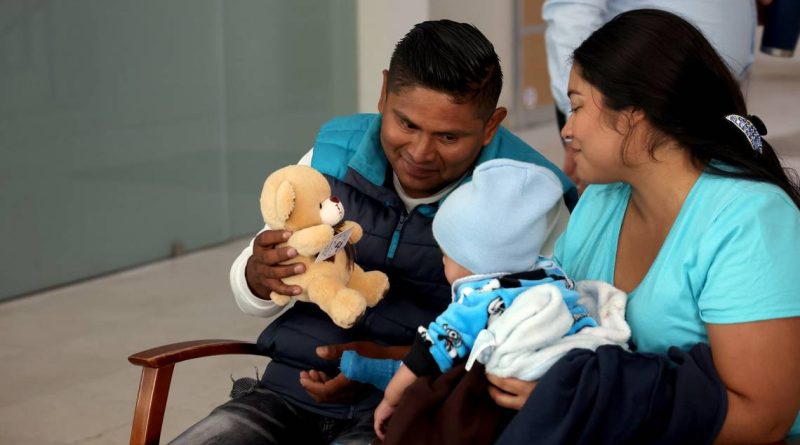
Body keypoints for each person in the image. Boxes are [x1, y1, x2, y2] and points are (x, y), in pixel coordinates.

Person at [170, 20, 576, 445]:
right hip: (283, 396)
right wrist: (256, 275)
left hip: (411, 415)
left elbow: (534, 347)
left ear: (491, 126)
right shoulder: (331, 155)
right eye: (406, 125)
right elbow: (253, 295)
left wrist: (394, 364)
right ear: (384, 93)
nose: (420, 153)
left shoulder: (530, 196)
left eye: (449, 137)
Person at [486, 9, 800, 443]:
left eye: (577, 107)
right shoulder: (603, 198)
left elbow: (763, 420)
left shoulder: (750, 221)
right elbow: (557, 313)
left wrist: (584, 401)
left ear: (633, 114)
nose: (568, 130)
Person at [369, 159, 629, 441]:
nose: (442, 260)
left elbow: (430, 352)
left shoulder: (481, 297)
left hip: (508, 403)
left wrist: (391, 400)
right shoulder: (550, 275)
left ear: (472, 261)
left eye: (446, 254)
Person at [542, 0, 759, 191]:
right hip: (631, 100)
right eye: (575, 108)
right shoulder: (600, 203)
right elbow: (572, 11)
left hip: (692, 98)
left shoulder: (741, 214)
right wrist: (582, 109)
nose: (566, 131)